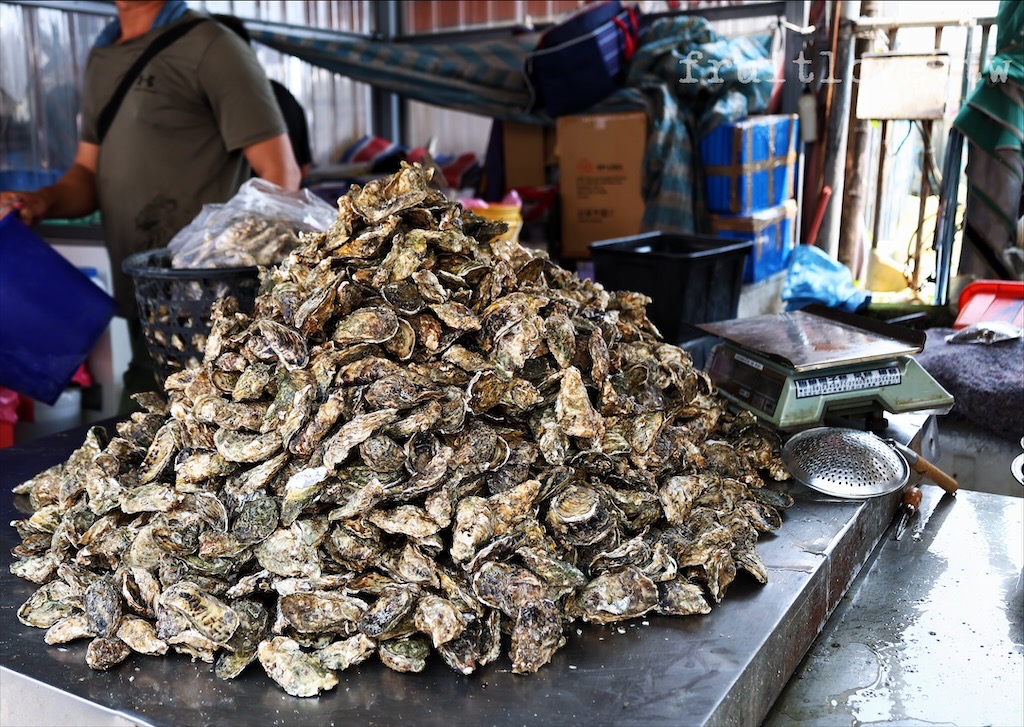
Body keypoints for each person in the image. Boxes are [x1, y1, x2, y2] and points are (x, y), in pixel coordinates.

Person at [0, 0, 301, 408]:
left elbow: (280, 177)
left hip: (207, 307)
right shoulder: (103, 55)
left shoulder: (213, 46)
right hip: (142, 296)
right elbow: (86, 174)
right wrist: (40, 201)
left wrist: (222, 267)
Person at [211, 14, 313, 182]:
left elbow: (289, 172)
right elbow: (303, 170)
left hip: (249, 205)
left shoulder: (229, 100)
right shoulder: (284, 95)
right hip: (290, 201)